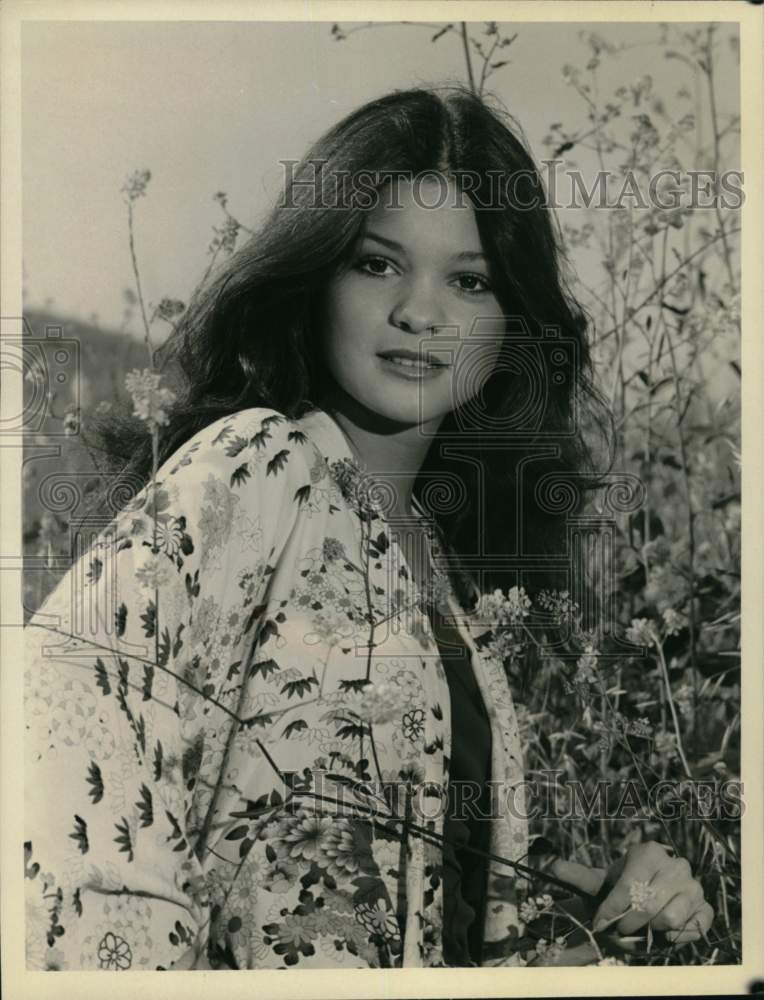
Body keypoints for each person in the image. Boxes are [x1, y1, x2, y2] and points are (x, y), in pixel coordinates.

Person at [24, 85, 713, 971]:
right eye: (378, 264)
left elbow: (411, 898)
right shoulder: (256, 468)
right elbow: (56, 717)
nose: (420, 314)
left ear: (511, 323)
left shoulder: (443, 572)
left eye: (469, 281)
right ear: (316, 277)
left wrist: (610, 903)